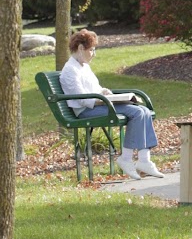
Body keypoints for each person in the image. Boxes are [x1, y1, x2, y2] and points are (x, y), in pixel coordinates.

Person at [60, 28, 163, 179]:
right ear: (81, 48)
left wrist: (104, 92)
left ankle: (144, 160)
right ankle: (126, 159)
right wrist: (104, 100)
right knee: (136, 112)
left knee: (143, 110)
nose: (94, 54)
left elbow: (95, 88)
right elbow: (82, 99)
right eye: (92, 50)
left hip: (99, 104)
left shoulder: (84, 67)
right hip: (85, 111)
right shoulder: (70, 70)